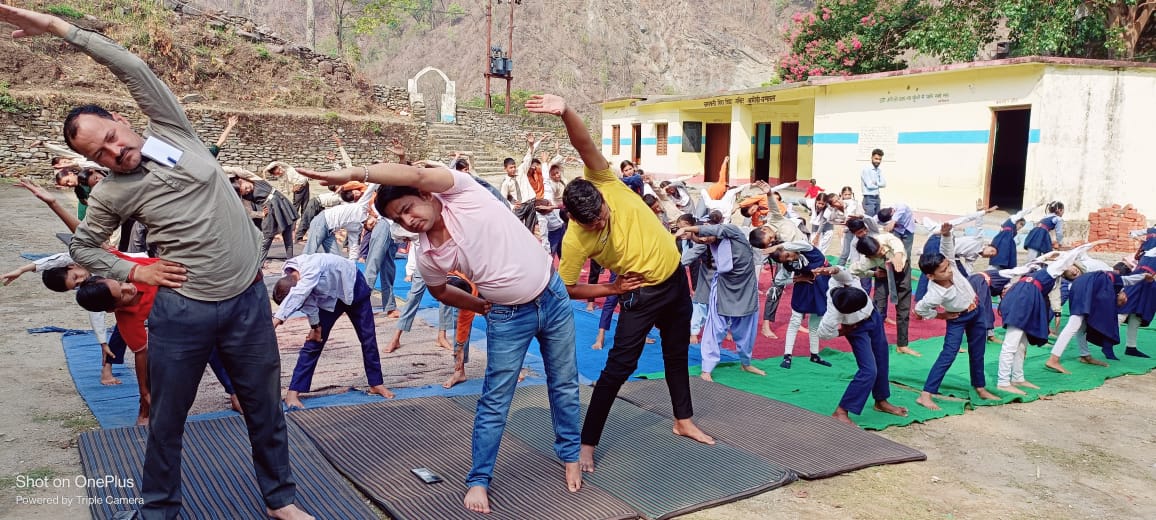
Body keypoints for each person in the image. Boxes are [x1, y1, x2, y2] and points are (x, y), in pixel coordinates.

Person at [0, 6, 312, 518]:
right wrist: (135, 271)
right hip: (184, 311)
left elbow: (132, 68)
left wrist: (58, 28)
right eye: (99, 155)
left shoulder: (173, 132)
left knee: (264, 406)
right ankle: (159, 508)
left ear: (121, 120)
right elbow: (83, 247)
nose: (113, 152)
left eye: (110, 137)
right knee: (167, 419)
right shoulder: (112, 193)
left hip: (247, 302)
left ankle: (281, 500)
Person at [297, 154, 583, 516]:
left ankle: (570, 455)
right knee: (496, 398)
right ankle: (479, 479)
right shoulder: (429, 254)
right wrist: (479, 306)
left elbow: (416, 173)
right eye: (398, 219)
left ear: (425, 194)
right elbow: (440, 292)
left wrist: (355, 173)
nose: (408, 220)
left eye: (406, 208)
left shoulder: (460, 194)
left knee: (564, 382)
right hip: (508, 316)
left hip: (553, 296)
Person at [527, 93, 715, 475]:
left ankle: (683, 420)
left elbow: (584, 143)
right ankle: (587, 442)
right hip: (640, 295)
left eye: (602, 213)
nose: (602, 221)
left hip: (675, 282)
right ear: (574, 219)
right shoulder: (574, 240)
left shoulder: (604, 180)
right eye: (594, 222)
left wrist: (566, 111)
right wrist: (610, 290)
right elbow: (565, 289)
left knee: (676, 353)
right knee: (617, 368)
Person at [271, 254, 395, 409]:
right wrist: (315, 327)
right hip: (330, 300)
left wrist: (276, 320)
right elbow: (306, 301)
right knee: (314, 342)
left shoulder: (310, 268)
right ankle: (293, 392)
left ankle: (376, 383)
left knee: (368, 338)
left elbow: (300, 295)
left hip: (354, 287)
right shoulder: (290, 277)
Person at [913, 223, 1002, 410]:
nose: (949, 270)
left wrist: (946, 235)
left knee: (978, 351)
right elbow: (920, 309)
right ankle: (926, 394)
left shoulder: (951, 265)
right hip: (957, 319)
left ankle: (980, 387)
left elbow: (947, 250)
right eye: (943, 271)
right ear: (930, 276)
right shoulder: (935, 293)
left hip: (976, 311)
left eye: (947, 266)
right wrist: (941, 315)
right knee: (948, 354)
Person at [996, 241, 1104, 395]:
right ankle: (1003, 382)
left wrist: (1057, 311)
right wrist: (1094, 243)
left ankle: (1017, 377)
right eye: (1073, 268)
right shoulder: (1048, 268)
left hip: (1029, 298)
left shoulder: (1054, 274)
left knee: (1021, 343)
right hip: (1022, 298)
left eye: (1073, 272)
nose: (1073, 270)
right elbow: (1068, 255)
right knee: (1011, 342)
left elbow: (1062, 266)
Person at [816, 265, 908, 426]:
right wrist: (843, 332)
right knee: (869, 370)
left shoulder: (846, 282)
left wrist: (834, 269)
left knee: (882, 358)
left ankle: (881, 400)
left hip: (874, 317)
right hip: (856, 329)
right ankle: (841, 411)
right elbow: (823, 333)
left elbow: (842, 272)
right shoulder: (833, 313)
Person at [674, 220, 764, 381]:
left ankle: (746, 363)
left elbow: (713, 230)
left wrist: (686, 228)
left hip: (746, 291)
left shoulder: (733, 232)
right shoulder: (710, 243)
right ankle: (706, 369)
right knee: (715, 329)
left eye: (706, 235)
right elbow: (696, 248)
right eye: (702, 239)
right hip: (723, 290)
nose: (705, 239)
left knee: (746, 331)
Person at [1047, 263, 1152, 373]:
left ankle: (1085, 355)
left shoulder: (1104, 281)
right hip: (1084, 287)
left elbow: (1125, 280)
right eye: (1068, 272)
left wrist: (1143, 276)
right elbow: (1126, 280)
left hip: (1088, 288)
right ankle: (1053, 359)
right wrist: (1143, 276)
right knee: (1074, 324)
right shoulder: (1102, 277)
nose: (1073, 271)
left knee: (1081, 326)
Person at [229, 172, 299, 263]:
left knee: (287, 234)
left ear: (241, 180)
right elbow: (248, 212)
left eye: (246, 188)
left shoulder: (255, 179)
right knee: (267, 237)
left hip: (281, 204)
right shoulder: (246, 197)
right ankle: (259, 264)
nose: (248, 190)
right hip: (270, 212)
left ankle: (290, 260)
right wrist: (261, 214)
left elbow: (237, 170)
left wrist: (221, 169)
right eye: (245, 192)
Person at [990, 201, 1045, 269]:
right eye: (1021, 224)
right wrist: (1035, 205)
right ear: (1017, 221)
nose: (1021, 227)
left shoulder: (1013, 231)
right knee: (997, 262)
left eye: (1023, 225)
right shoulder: (1012, 221)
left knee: (1006, 264)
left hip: (1007, 245)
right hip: (1001, 244)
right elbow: (1023, 212)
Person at [860, 148, 885, 217]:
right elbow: (869, 186)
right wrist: (879, 184)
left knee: (877, 217)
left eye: (880, 159)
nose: (878, 161)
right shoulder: (866, 170)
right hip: (869, 198)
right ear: (871, 158)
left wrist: (876, 183)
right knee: (869, 217)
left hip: (877, 197)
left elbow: (884, 184)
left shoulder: (879, 170)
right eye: (876, 158)